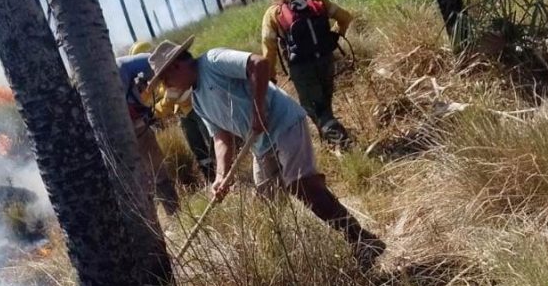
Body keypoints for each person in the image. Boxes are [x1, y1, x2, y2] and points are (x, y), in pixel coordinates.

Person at [147, 37, 385, 265]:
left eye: (166, 80)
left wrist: (258, 110)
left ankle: (362, 241)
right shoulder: (198, 101)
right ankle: (298, 263)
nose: (167, 87)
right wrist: (220, 176)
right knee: (268, 208)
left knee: (302, 185)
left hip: (283, 123)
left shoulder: (213, 61)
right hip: (260, 145)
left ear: (176, 66)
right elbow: (221, 138)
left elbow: (258, 64)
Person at [261, 0, 355, 152]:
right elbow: (346, 17)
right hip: (326, 60)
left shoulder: (272, 14)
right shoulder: (316, 0)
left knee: (314, 109)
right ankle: (331, 144)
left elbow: (269, 49)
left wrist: (270, 77)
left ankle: (344, 144)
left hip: (301, 69)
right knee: (325, 103)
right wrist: (334, 37)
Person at [129, 42, 215, 182]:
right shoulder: (161, 78)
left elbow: (169, 99)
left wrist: (150, 114)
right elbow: (150, 96)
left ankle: (223, 171)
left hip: (196, 109)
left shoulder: (171, 75)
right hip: (184, 113)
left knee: (211, 141)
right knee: (197, 148)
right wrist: (141, 90)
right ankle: (210, 176)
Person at [116, 46, 181, 215]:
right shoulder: (121, 65)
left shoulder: (83, 81)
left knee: (134, 180)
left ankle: (150, 218)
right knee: (157, 170)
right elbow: (151, 59)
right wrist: (148, 78)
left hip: (112, 138)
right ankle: (174, 212)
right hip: (137, 127)